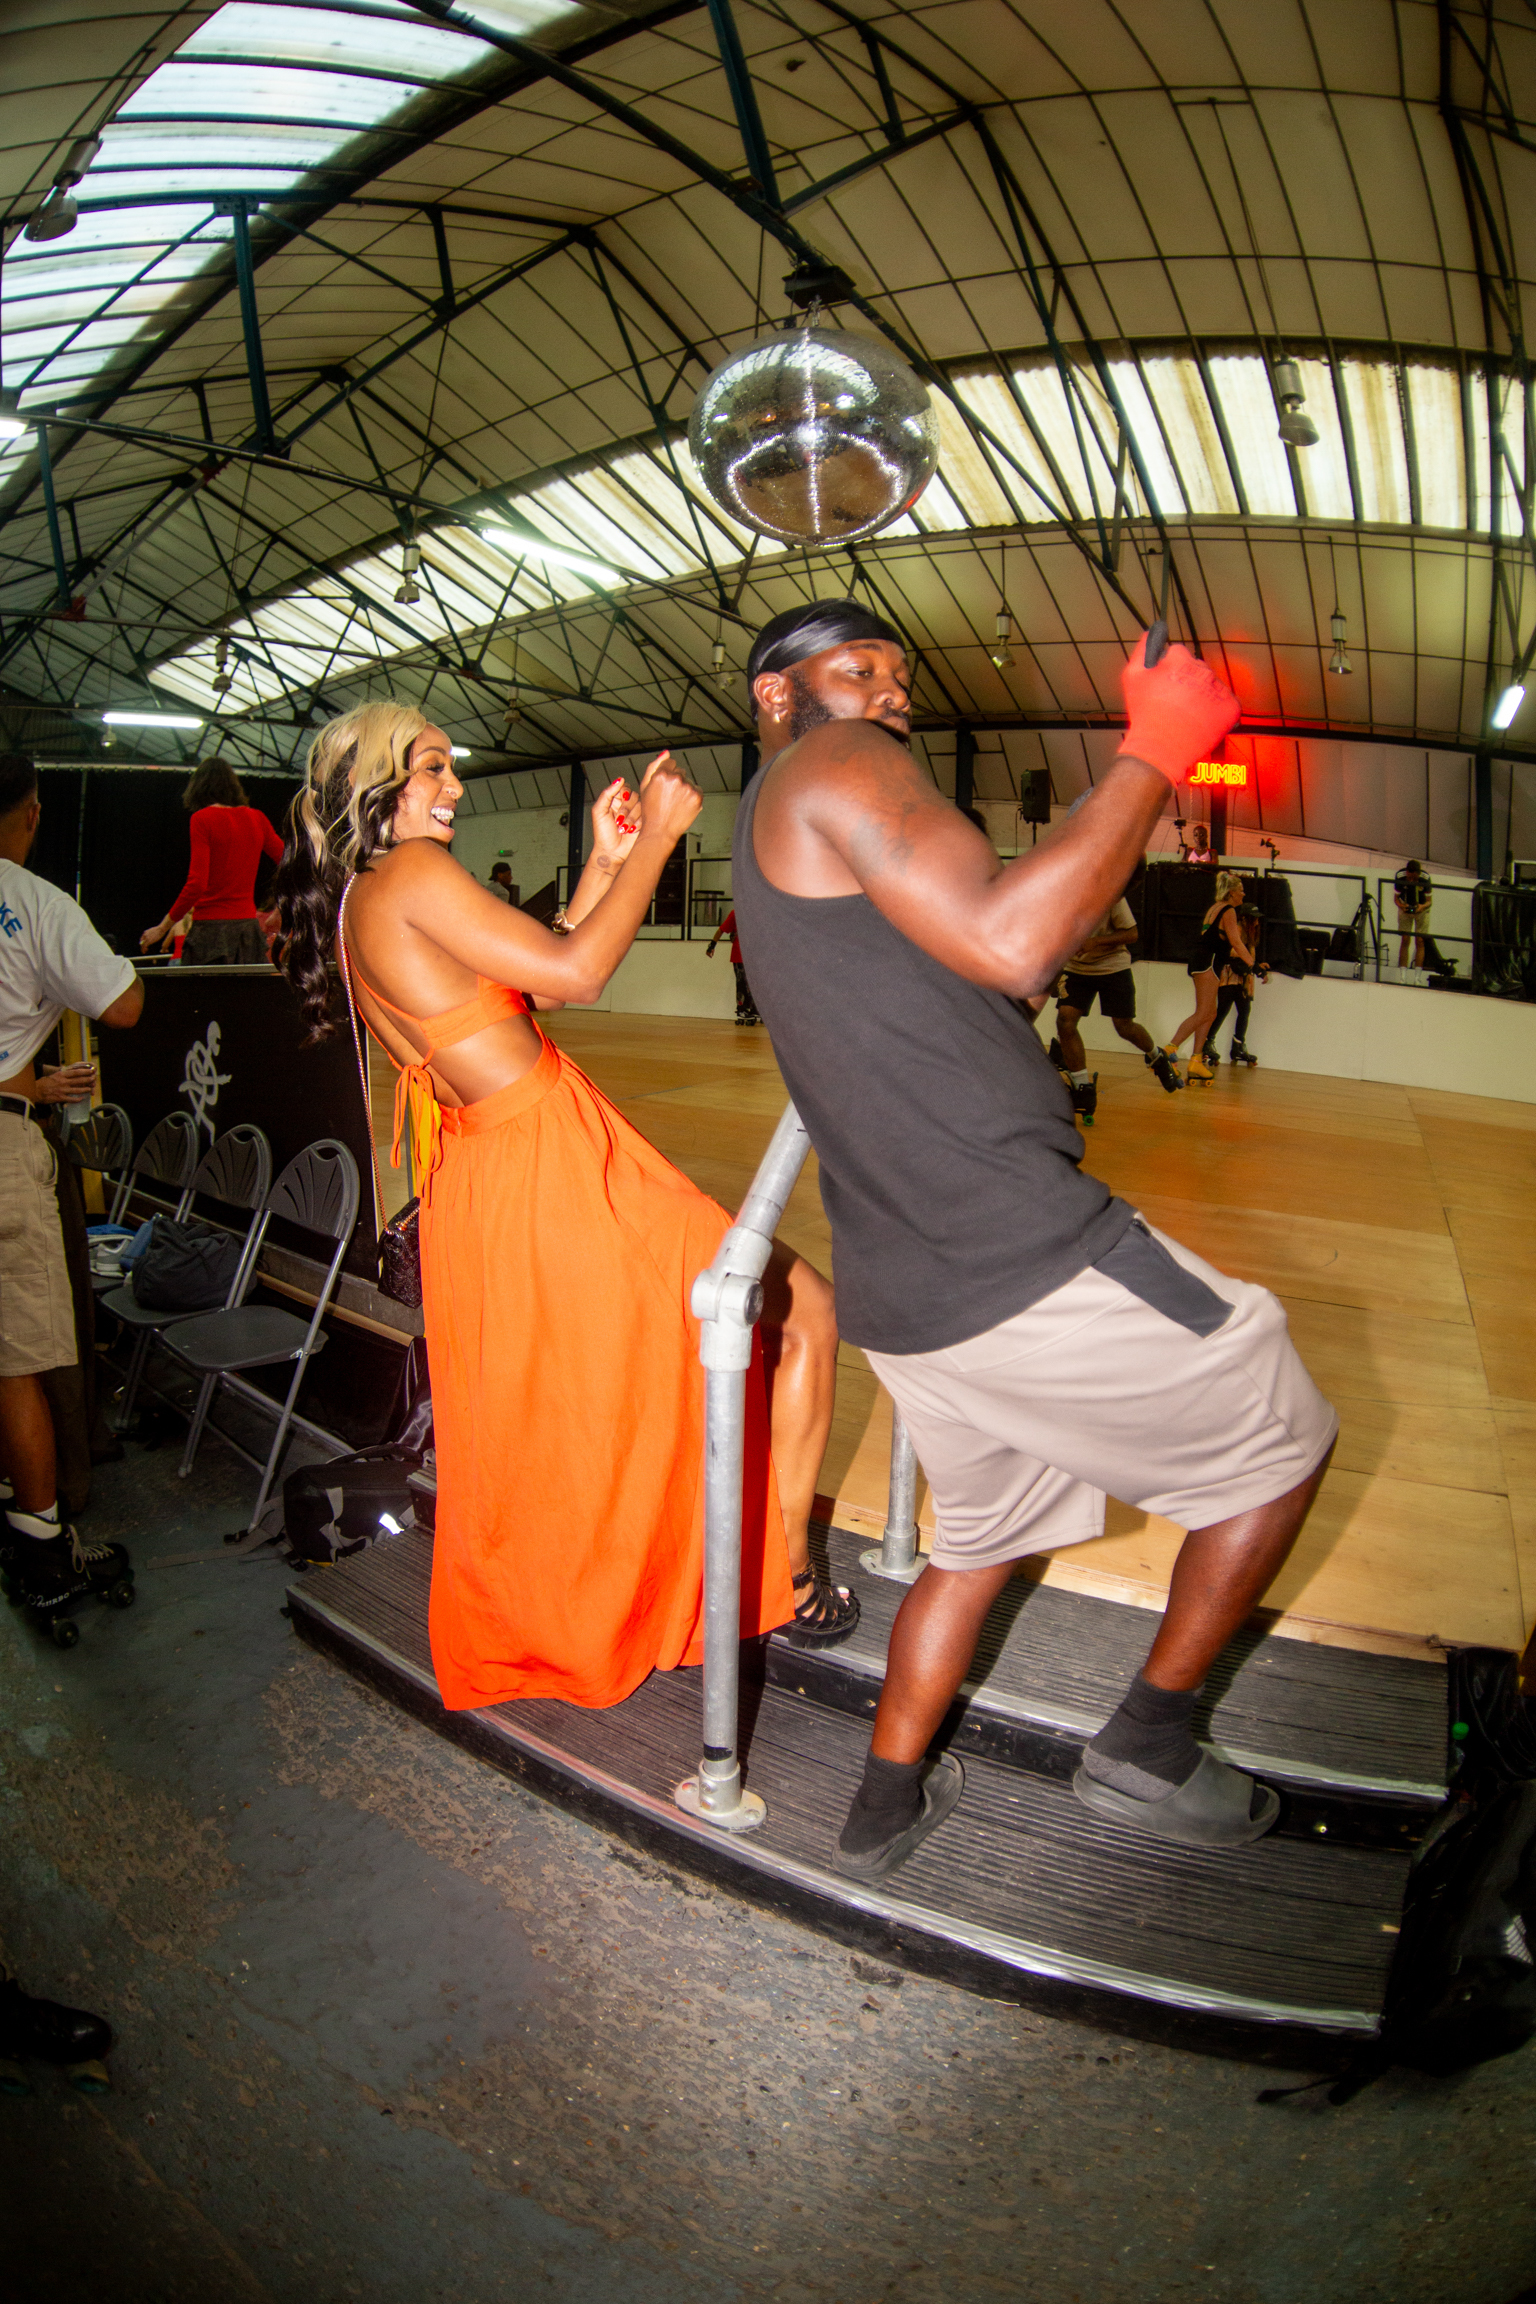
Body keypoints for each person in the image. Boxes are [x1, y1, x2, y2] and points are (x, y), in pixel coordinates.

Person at [730, 600, 1338, 1876]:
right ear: (778, 698)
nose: (892, 693)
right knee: (1285, 1437)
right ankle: (1150, 1745)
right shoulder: (835, 763)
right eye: (858, 671)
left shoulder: (791, 832)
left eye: (899, 675)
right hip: (1020, 1252)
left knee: (980, 1549)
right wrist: (1156, 747)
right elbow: (1011, 941)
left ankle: (883, 1809)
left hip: (907, 1289)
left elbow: (974, 948)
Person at [270, 702, 851, 1715]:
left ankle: (677, 1576)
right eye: (434, 768)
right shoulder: (411, 874)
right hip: (553, 1159)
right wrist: (665, 840)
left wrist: (604, 863)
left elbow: (522, 985)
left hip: (497, 1169)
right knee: (804, 1314)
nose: (455, 789)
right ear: (377, 788)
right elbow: (580, 972)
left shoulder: (368, 894)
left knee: (578, 1403)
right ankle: (786, 1573)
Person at [0, 755, 143, 1622]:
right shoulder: (36, 903)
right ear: (32, 813)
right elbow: (123, 1003)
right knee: (18, 1356)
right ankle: (42, 1542)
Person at [140, 757, 283, 964]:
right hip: (247, 931)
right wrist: (280, 908)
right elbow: (291, 863)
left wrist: (162, 928)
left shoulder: (202, 819)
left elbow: (197, 883)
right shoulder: (257, 818)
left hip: (210, 931)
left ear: (199, 786)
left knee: (203, 995)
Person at [1053, 895, 1182, 1120]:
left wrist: (1096, 942)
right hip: (1076, 968)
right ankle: (1083, 1087)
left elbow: (1132, 933)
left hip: (1113, 966)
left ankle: (1156, 1057)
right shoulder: (1061, 897)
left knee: (1124, 1027)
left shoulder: (1111, 895)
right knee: (1065, 1020)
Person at [1160, 869, 1255, 1083]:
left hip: (1203, 961)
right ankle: (1168, 1051)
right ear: (1231, 893)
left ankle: (1196, 1060)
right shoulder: (1229, 910)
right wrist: (1253, 964)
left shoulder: (1215, 907)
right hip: (1208, 963)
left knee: (1210, 1013)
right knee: (1204, 1012)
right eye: (1241, 890)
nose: (1244, 894)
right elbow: (1236, 941)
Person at [1204, 903, 1267, 1066]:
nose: (1257, 923)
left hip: (1242, 975)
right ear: (1245, 918)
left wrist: (1257, 965)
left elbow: (1246, 955)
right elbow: (1234, 953)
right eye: (1254, 919)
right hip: (1232, 974)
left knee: (1243, 1010)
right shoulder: (1238, 930)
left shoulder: (1248, 933)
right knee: (1224, 1009)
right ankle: (1208, 1043)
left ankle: (1237, 1045)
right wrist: (1254, 967)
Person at [704, 906, 759, 1025]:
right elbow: (722, 929)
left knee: (751, 983)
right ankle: (743, 1008)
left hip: (751, 955)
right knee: (743, 983)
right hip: (740, 955)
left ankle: (752, 1007)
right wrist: (712, 945)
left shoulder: (755, 913)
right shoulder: (737, 913)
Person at [1394, 858, 1432, 968]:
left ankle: (1417, 975)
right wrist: (1402, 906)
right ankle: (1403, 974)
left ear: (1418, 874)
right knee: (1405, 939)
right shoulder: (1400, 876)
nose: (1411, 881)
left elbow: (1429, 902)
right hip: (1404, 906)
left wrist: (1422, 907)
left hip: (1421, 908)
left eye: (1414, 878)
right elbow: (1396, 898)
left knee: (1420, 941)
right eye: (1409, 878)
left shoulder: (1425, 879)